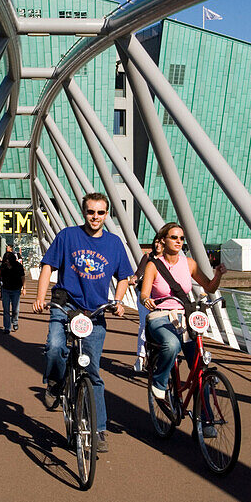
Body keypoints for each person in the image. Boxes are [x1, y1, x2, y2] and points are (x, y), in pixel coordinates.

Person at [33, 192, 134, 451]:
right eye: (91, 212)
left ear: (106, 214)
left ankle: (99, 429)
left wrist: (119, 301)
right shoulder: (68, 236)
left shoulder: (114, 244)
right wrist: (40, 298)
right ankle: (55, 382)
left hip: (95, 313)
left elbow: (123, 276)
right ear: (84, 212)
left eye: (100, 213)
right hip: (65, 305)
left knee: (93, 372)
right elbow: (47, 266)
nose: (95, 217)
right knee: (55, 347)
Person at [139, 223, 227, 415]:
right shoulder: (153, 265)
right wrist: (147, 301)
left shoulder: (189, 264)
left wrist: (218, 274)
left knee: (200, 365)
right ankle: (160, 383)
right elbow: (144, 294)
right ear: (163, 240)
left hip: (184, 317)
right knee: (171, 345)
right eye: (174, 237)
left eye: (181, 238)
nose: (179, 241)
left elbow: (210, 287)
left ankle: (206, 419)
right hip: (160, 316)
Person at [132, 236, 165, 373]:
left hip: (160, 297)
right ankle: (140, 357)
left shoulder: (167, 260)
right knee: (144, 325)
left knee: (162, 325)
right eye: (156, 242)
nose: (158, 245)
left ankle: (158, 358)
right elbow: (139, 272)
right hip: (145, 295)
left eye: (161, 243)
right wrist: (133, 279)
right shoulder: (147, 257)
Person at [0, 250, 25, 333]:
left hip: (16, 290)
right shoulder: (3, 267)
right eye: (6, 260)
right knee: (6, 309)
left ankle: (15, 321)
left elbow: (22, 277)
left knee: (15, 309)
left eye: (8, 260)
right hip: (5, 290)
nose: (7, 262)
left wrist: (24, 288)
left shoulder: (18, 266)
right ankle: (7, 327)